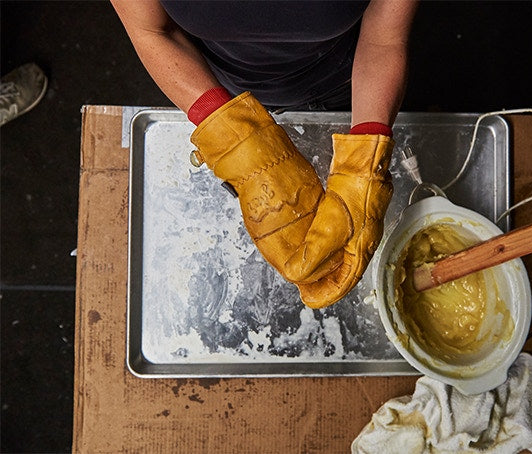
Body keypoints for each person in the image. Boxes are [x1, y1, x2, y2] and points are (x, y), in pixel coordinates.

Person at [111, 0, 419, 308]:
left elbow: (383, 40)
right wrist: (237, 139)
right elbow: (152, 30)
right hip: (213, 83)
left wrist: (363, 164)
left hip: (346, 81)